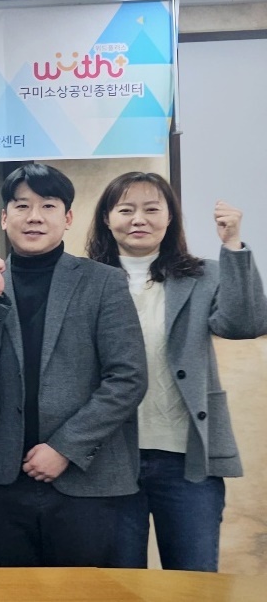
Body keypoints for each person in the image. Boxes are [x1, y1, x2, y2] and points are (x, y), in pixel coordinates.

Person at [86, 172, 267, 572]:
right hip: (111, 459)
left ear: (170, 218)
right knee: (120, 586)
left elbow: (245, 324)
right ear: (106, 218)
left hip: (187, 459)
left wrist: (233, 246)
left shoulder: (202, 275)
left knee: (194, 583)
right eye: (126, 209)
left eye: (152, 209)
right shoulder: (87, 280)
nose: (139, 219)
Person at [0, 163, 148, 567]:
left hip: (86, 477)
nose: (34, 217)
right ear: (4, 217)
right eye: (22, 206)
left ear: (68, 218)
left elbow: (128, 378)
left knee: (83, 591)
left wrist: (64, 448)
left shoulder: (103, 282)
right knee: (12, 590)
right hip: (3, 476)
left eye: (48, 206)